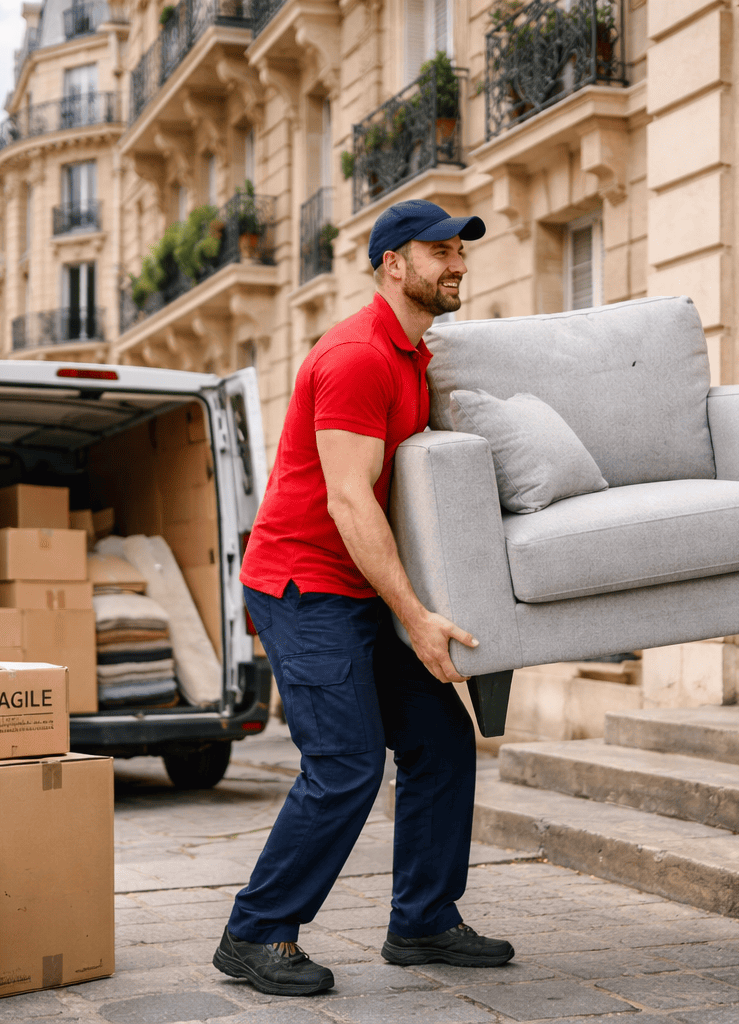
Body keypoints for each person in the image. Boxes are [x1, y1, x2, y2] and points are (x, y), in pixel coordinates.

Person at [212, 199, 514, 997]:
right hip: (305, 584)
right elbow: (348, 500)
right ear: (392, 264)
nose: (456, 263)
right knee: (345, 763)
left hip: (362, 585)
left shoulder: (417, 355)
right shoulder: (355, 356)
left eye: (460, 250)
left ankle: (422, 921)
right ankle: (255, 932)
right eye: (439, 250)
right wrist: (415, 616)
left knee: (440, 744)